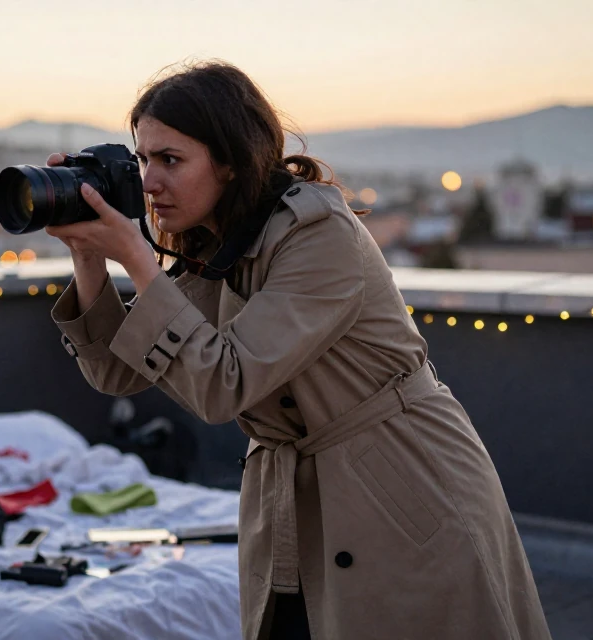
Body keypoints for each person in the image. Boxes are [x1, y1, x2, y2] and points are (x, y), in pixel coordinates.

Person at [46, 60, 551, 640]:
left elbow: (222, 385)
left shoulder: (317, 233)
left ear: (231, 162)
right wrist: (87, 252)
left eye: (171, 160)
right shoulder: (221, 240)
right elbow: (114, 369)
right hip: (294, 495)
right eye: (143, 159)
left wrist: (134, 255)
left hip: (401, 486)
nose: (150, 181)